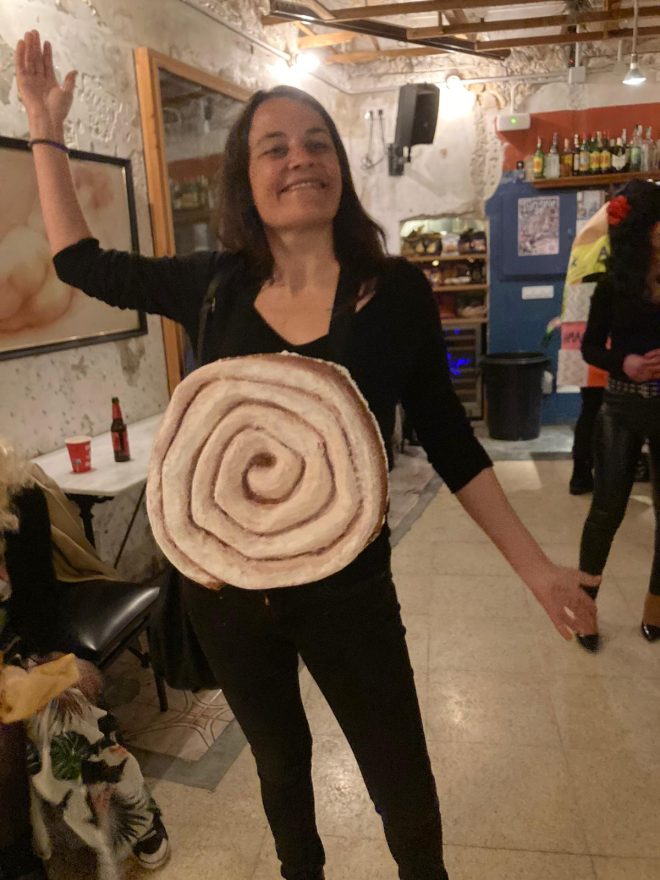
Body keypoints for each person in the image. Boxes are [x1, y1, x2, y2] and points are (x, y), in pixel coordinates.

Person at [14, 31, 596, 880]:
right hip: (229, 595)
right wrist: (44, 125)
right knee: (281, 771)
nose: (300, 159)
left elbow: (450, 439)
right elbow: (78, 262)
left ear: (341, 168)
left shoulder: (394, 291)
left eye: (317, 143)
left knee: (401, 781)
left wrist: (537, 570)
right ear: (245, 178)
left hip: (349, 590)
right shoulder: (213, 284)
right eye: (275, 147)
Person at [575, 179, 660, 652]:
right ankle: (585, 606)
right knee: (606, 510)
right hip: (621, 405)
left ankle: (655, 606)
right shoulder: (613, 282)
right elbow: (590, 346)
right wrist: (622, 362)